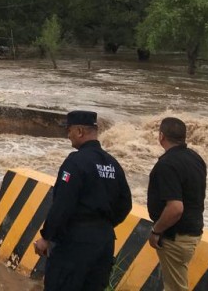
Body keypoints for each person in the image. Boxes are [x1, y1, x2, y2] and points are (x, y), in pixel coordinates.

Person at [33, 110, 132, 291]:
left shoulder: (75, 162)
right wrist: (102, 225)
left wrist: (46, 237)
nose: (68, 134)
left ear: (79, 131)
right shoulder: (112, 163)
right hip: (104, 242)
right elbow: (126, 204)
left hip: (75, 243)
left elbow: (62, 205)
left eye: (69, 130)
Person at [147, 117, 207, 291]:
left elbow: (175, 208)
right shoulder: (196, 158)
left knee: (176, 288)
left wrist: (156, 231)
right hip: (192, 232)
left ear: (161, 136)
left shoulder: (167, 164)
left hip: (175, 237)